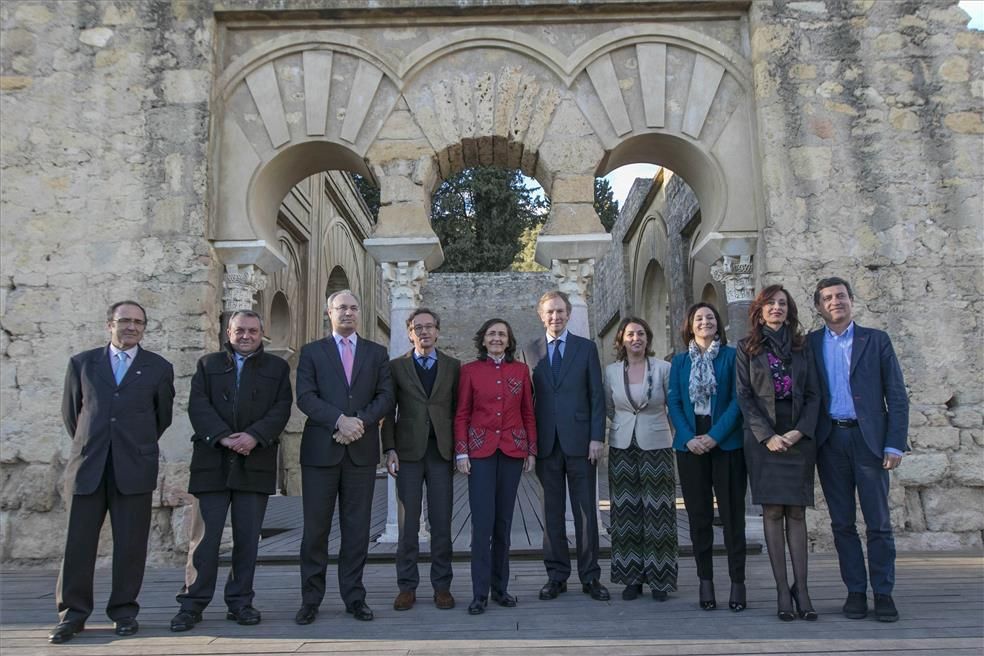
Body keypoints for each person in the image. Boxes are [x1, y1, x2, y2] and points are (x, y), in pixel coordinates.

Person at [51, 301, 175, 644]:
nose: (131, 327)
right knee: (78, 544)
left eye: (138, 322)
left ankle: (123, 612)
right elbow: (72, 414)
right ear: (110, 324)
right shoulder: (83, 364)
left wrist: (131, 444)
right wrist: (96, 442)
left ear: (144, 328)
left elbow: (160, 418)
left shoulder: (159, 368)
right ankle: (72, 615)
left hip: (133, 467)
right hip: (88, 467)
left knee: (131, 546)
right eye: (124, 321)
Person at [170, 310, 292, 632]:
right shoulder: (207, 365)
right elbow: (198, 405)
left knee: (248, 538)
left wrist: (254, 436)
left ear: (261, 334)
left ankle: (240, 602)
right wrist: (224, 436)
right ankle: (192, 603)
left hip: (256, 460)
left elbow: (281, 408)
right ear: (228, 333)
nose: (246, 336)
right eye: (240, 330)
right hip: (213, 461)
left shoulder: (277, 368)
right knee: (204, 539)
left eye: (252, 331)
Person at [810, 277, 908, 623]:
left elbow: (896, 394)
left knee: (879, 523)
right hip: (830, 442)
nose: (835, 302)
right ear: (819, 308)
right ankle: (855, 591)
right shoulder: (810, 344)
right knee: (842, 523)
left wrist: (895, 442)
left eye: (840, 296)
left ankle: (883, 592)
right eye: (827, 298)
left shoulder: (875, 340)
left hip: (870, 442)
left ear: (851, 301)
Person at [294, 290, 394, 625]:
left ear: (359, 313)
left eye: (353, 307)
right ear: (329, 312)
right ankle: (311, 599)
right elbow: (305, 397)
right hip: (321, 451)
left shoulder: (377, 353)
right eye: (342, 308)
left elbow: (385, 396)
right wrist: (339, 420)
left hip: (361, 453)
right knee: (315, 530)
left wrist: (359, 423)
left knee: (357, 529)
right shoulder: (312, 352)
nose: (348, 313)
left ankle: (354, 597)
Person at [736, 285, 820, 622]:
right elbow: (744, 396)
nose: (776, 308)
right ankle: (782, 591)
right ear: (759, 311)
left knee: (797, 513)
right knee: (772, 511)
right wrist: (768, 436)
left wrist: (799, 431)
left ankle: (803, 589)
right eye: (770, 304)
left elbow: (815, 394)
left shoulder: (804, 347)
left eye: (782, 304)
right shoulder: (746, 348)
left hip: (799, 433)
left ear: (790, 310)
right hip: (763, 437)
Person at [524, 290, 609, 602]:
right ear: (541, 315)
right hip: (547, 445)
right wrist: (530, 447)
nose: (555, 317)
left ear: (569, 314)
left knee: (587, 514)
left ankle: (590, 577)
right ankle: (556, 576)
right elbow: (528, 402)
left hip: (581, 443)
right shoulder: (530, 350)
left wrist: (597, 437)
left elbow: (596, 396)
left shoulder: (586, 348)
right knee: (552, 514)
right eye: (549, 312)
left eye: (560, 311)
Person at [455, 319, 537, 615]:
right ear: (483, 339)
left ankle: (500, 588)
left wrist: (531, 450)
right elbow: (462, 414)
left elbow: (528, 412)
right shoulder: (470, 372)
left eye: (502, 334)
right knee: (482, 524)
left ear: (509, 339)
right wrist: (462, 452)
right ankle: (479, 593)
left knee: (504, 522)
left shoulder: (520, 371)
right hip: (480, 452)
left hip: (513, 450)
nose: (497, 338)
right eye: (492, 334)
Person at [667, 303, 746, 612]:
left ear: (718, 324)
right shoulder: (680, 362)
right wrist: (689, 437)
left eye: (710, 317)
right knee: (699, 517)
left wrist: (715, 436)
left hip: (725, 443)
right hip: (690, 446)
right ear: (690, 325)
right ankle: (706, 581)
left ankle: (737, 582)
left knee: (732, 516)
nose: (705, 322)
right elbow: (673, 401)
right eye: (699, 318)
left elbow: (739, 400)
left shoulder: (731, 356)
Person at [382, 308, 460, 612]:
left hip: (441, 454)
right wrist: (389, 448)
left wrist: (460, 451)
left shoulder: (453, 367)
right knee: (408, 524)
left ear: (438, 331)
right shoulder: (396, 367)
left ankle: (442, 586)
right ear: (410, 332)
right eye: (418, 328)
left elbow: (458, 410)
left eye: (429, 327)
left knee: (441, 523)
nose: (424, 332)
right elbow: (388, 411)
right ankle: (407, 587)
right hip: (408, 455)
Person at [603, 317, 677, 602]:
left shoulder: (663, 369)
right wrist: (624, 426)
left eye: (641, 334)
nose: (636, 338)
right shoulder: (610, 372)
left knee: (659, 512)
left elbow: (672, 405)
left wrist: (665, 431)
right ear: (622, 339)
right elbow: (610, 407)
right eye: (631, 334)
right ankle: (631, 577)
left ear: (648, 338)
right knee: (625, 512)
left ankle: (660, 579)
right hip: (622, 444)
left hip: (656, 443)